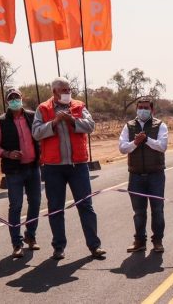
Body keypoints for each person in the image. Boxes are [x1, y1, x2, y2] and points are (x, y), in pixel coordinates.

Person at [32, 77, 105, 260]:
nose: (67, 92)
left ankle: (94, 246)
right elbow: (36, 132)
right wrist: (55, 122)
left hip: (78, 166)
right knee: (56, 209)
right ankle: (59, 247)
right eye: (63, 90)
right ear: (54, 92)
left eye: (69, 89)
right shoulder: (43, 109)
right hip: (53, 168)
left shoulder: (79, 106)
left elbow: (90, 126)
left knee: (86, 206)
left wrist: (72, 120)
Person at [0, 88, 41, 258]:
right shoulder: (0, 121)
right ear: (7, 102)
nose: (14, 100)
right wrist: (7, 153)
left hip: (33, 167)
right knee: (16, 206)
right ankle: (16, 244)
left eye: (16, 97)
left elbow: (41, 137)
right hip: (14, 171)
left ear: (22, 98)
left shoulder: (33, 116)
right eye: (11, 98)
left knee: (35, 203)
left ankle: (30, 235)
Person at [119, 96, 168, 253]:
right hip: (136, 176)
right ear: (136, 109)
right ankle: (139, 241)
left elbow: (162, 146)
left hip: (156, 175)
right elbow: (122, 148)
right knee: (139, 212)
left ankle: (157, 241)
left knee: (157, 210)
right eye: (140, 107)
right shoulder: (128, 126)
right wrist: (135, 142)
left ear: (152, 110)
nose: (143, 110)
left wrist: (146, 140)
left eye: (146, 108)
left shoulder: (160, 125)